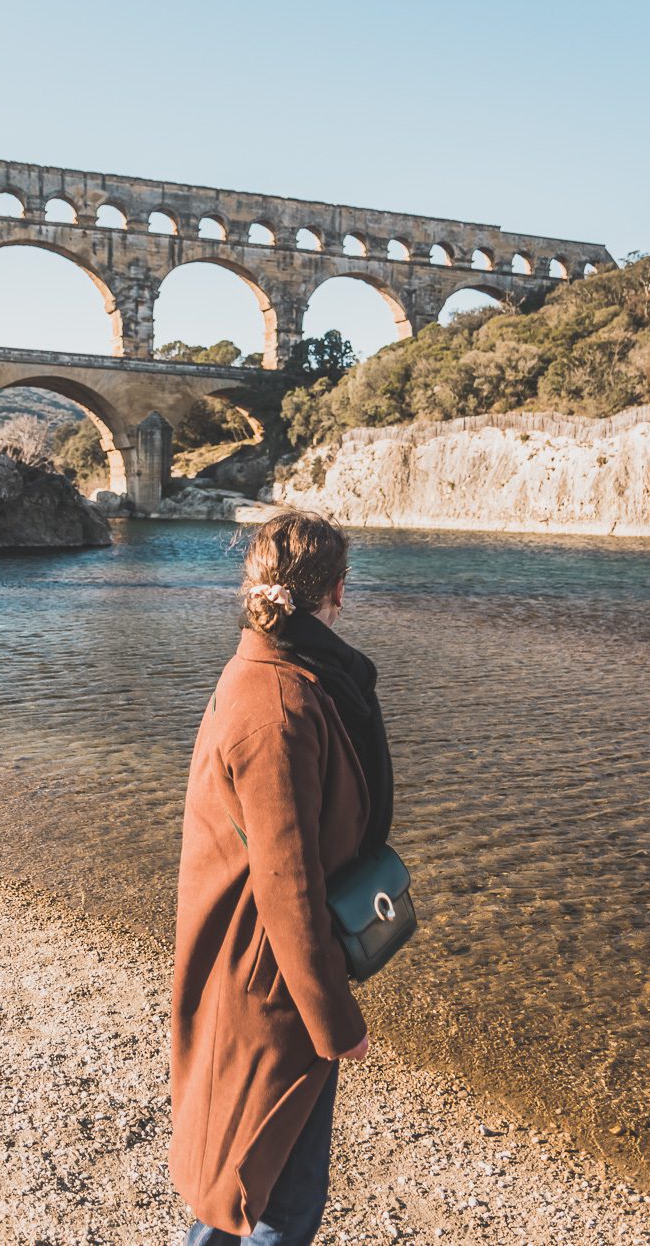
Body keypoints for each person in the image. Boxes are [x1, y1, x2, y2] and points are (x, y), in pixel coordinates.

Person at [168, 511, 394, 1244]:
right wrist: (338, 1024)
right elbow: (289, 890)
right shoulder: (277, 704)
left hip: (266, 975)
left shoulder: (274, 677)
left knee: (253, 1186)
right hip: (272, 987)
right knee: (265, 1202)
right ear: (338, 589)